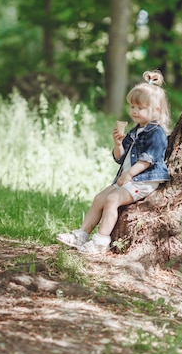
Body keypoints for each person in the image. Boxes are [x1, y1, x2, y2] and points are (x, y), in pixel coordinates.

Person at [57, 70, 171, 254]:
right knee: (99, 199)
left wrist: (129, 174)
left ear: (156, 110)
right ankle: (81, 234)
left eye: (140, 108)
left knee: (111, 200)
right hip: (127, 178)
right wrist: (118, 143)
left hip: (144, 179)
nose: (134, 111)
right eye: (132, 106)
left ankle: (101, 241)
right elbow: (120, 157)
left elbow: (148, 160)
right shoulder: (135, 131)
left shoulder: (156, 132)